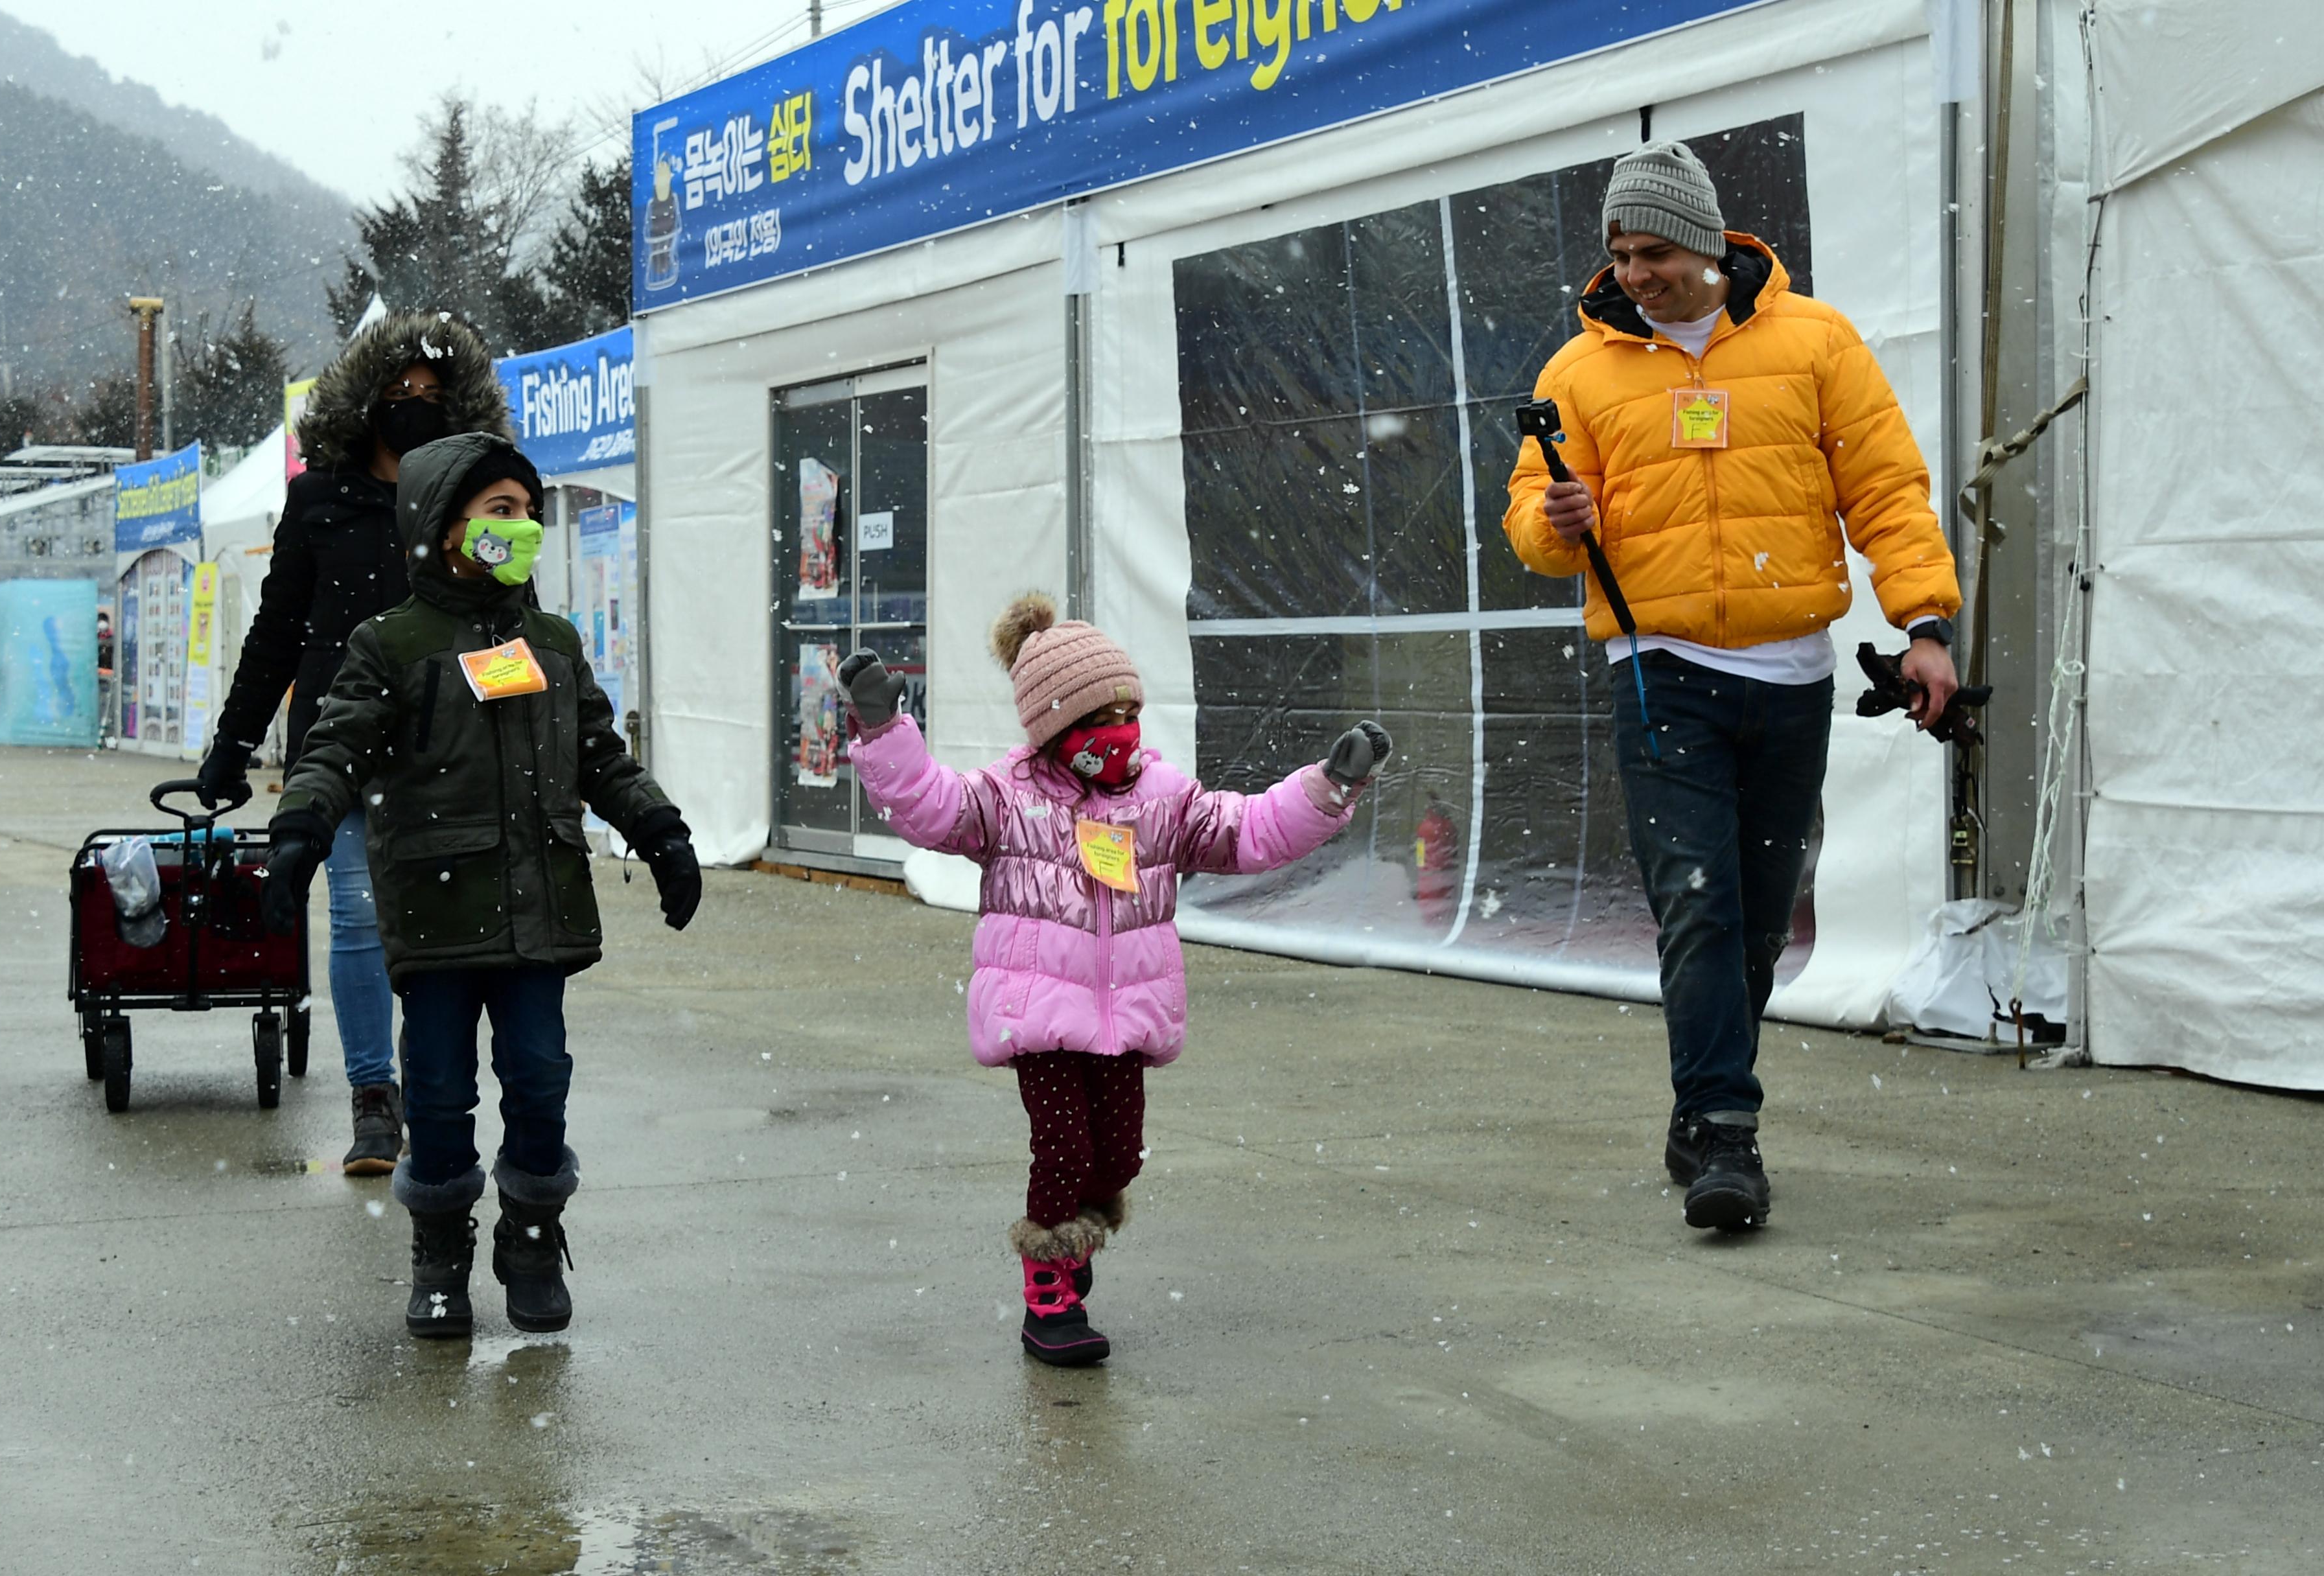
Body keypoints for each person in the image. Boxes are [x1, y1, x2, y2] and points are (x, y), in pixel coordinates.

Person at [1502, 141, 1962, 1233]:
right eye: (1617, 255)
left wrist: (1925, 626)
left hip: (1790, 679)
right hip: (1659, 676)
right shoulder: (1578, 370)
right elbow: (1532, 512)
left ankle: (1698, 1101)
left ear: (1707, 245)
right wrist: (1552, 524)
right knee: (1696, 903)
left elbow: (1885, 489)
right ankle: (1724, 1131)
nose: (1633, 275)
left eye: (1653, 252)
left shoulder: (1814, 342)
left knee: (1757, 919)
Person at [834, 596, 1388, 1366]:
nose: (1121, 729)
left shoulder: (1163, 799)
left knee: (1119, 1156)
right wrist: (884, 732)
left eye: (1130, 708)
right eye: (1102, 714)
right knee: (1062, 1147)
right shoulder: (1007, 796)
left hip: (1127, 1013)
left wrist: (1327, 786)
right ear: (1057, 727)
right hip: (1041, 1013)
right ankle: (1047, 1294)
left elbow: (1249, 829)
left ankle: (1074, 1234)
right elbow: (931, 807)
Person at [258, 434, 702, 1339]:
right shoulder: (393, 644)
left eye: (529, 515)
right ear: (441, 524)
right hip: (437, 916)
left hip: (540, 913)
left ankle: (533, 1239)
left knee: (540, 1081)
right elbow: (335, 746)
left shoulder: (552, 641)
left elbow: (596, 754)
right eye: (502, 512)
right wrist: (300, 829)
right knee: (438, 1092)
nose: (522, 529)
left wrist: (660, 830)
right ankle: (439, 1255)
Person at [196, 310, 513, 1176]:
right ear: (365, 403)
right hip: (341, 749)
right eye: (397, 392)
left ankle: (433, 1085)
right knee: (361, 920)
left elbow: (506, 626)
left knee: (447, 932)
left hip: (448, 747)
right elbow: (276, 632)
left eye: (430, 395)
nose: (412, 406)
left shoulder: (469, 506)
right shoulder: (320, 500)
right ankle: (375, 1098)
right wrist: (232, 745)